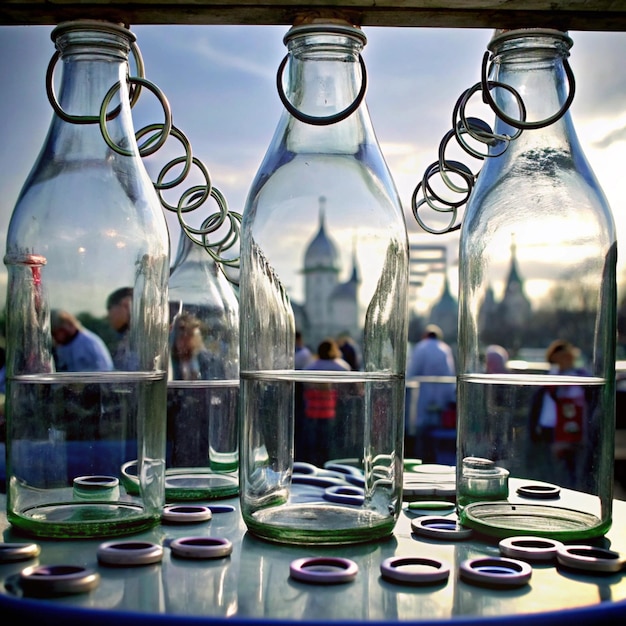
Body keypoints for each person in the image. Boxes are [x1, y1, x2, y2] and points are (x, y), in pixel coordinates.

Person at [528, 339, 590, 488]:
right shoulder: (550, 378)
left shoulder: (580, 376)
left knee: (573, 471)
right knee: (552, 472)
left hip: (574, 431)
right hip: (549, 428)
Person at [406, 324, 456, 462]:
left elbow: (413, 370)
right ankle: (436, 457)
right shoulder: (445, 349)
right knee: (437, 426)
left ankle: (422, 457)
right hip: (441, 394)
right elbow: (449, 372)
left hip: (423, 393)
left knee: (422, 428)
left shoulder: (421, 347)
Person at [296, 338, 351, 466]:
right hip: (332, 410)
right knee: (330, 440)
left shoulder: (311, 367)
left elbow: (304, 384)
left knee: (313, 440)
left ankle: (313, 463)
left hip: (312, 410)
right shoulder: (341, 366)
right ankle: (329, 463)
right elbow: (348, 389)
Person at [106, 286, 133, 369]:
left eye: (110, 309)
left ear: (126, 304)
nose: (108, 316)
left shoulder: (143, 344)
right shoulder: (125, 340)